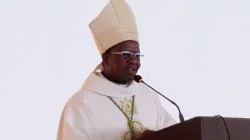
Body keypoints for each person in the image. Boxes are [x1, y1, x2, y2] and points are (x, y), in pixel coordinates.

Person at [56, 0, 177, 140]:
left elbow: (178, 134)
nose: (133, 60)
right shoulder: (81, 104)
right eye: (126, 54)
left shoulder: (149, 97)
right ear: (106, 59)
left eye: (137, 55)